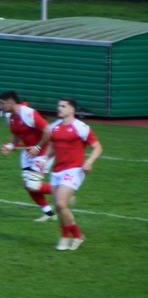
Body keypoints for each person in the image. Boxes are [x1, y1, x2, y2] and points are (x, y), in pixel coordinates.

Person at [44, 97, 102, 250]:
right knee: (59, 207)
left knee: (60, 203)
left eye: (63, 106)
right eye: (59, 106)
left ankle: (65, 237)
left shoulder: (81, 127)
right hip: (57, 170)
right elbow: (52, 147)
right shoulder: (54, 127)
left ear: (72, 110)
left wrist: (89, 162)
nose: (59, 108)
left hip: (74, 170)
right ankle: (76, 236)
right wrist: (44, 159)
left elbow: (97, 147)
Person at [0, 91, 57, 221]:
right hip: (29, 154)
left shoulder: (28, 113)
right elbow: (16, 136)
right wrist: (9, 147)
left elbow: (48, 131)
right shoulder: (10, 117)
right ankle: (49, 214)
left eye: (2, 103)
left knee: (33, 185)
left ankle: (63, 191)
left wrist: (38, 147)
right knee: (27, 184)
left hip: (44, 152)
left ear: (10, 102)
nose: (0, 106)